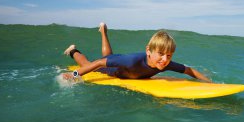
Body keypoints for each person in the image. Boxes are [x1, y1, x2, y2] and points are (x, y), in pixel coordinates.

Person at [63, 23, 211, 82]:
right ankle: (72, 50)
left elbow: (188, 70)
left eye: (169, 55)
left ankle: (103, 31)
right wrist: (74, 75)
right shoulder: (131, 61)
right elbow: (99, 63)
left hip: (118, 61)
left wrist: (209, 83)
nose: (165, 59)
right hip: (113, 69)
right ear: (148, 50)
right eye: (161, 53)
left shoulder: (165, 64)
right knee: (89, 63)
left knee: (108, 56)